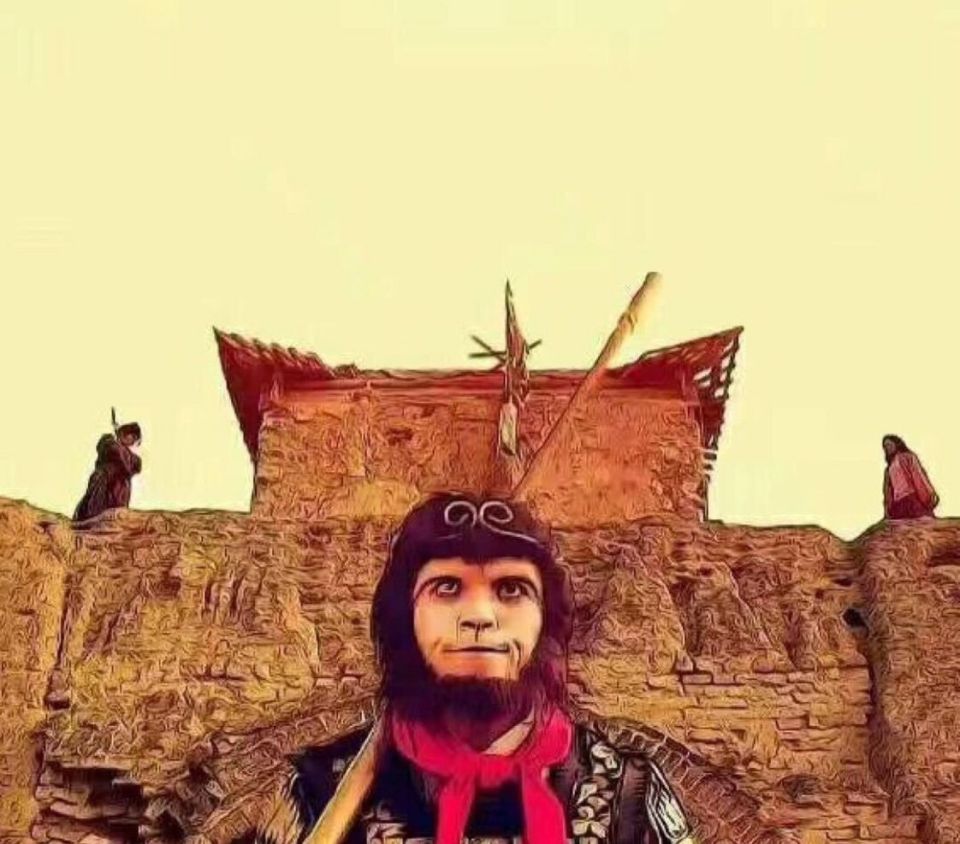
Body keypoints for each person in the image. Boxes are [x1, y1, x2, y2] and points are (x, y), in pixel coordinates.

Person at [249, 492, 698, 844]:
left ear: (546, 623)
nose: (479, 615)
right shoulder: (314, 792)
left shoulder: (629, 794)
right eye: (447, 587)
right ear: (406, 618)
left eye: (511, 589)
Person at [73, 422, 142, 522]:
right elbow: (112, 450)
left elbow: (133, 465)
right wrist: (115, 440)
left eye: (135, 439)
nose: (133, 441)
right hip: (104, 482)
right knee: (94, 513)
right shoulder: (109, 443)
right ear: (124, 434)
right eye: (133, 437)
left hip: (118, 490)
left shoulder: (128, 455)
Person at [882, 434, 939, 520]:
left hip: (911, 499)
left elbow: (918, 477)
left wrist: (929, 496)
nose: (887, 448)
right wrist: (888, 508)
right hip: (898, 504)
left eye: (889, 444)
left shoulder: (908, 457)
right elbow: (888, 491)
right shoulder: (889, 468)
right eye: (885, 446)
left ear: (896, 444)